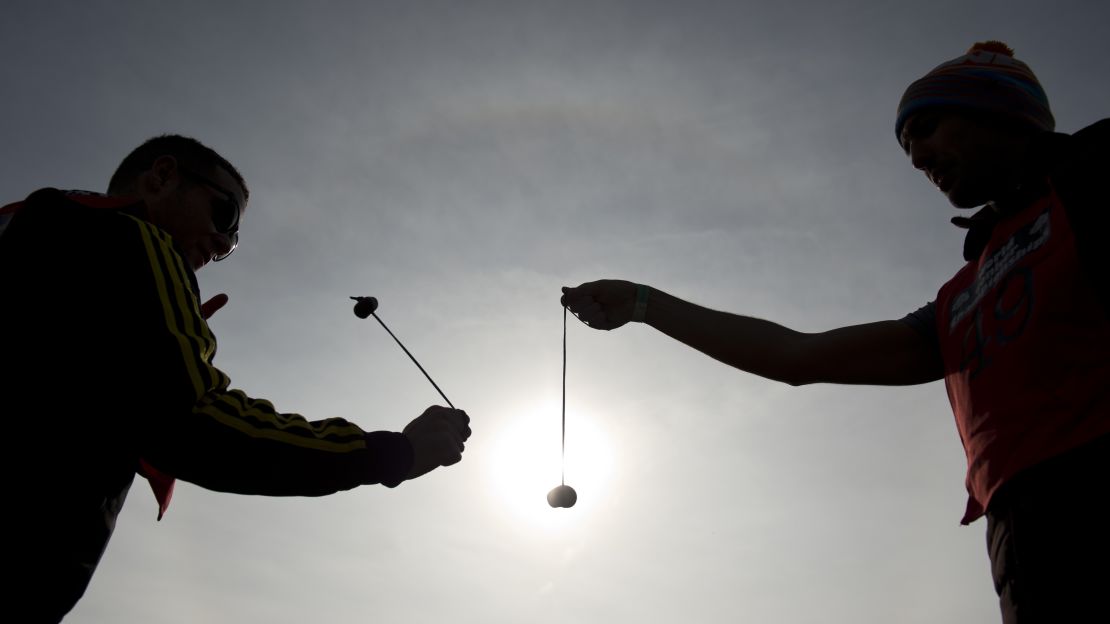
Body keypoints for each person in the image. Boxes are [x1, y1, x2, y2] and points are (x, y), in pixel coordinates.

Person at [561, 41, 1108, 623]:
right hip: (1021, 538)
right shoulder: (958, 300)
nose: (918, 154)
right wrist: (646, 303)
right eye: (907, 147)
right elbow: (798, 357)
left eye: (927, 127)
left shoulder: (1095, 176)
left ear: (1003, 113)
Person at [0, 135, 472, 623]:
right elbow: (195, 421)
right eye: (224, 214)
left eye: (235, 240)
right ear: (162, 177)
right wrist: (396, 452)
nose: (225, 244)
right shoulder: (134, 239)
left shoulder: (31, 229)